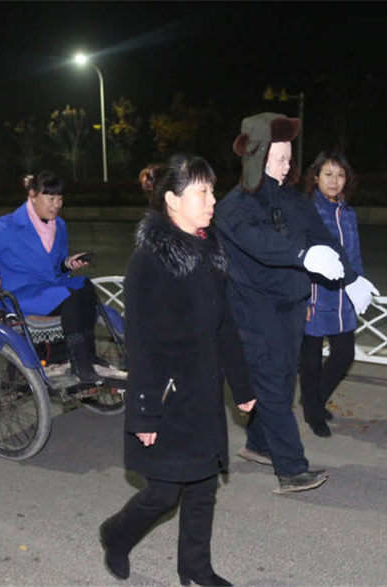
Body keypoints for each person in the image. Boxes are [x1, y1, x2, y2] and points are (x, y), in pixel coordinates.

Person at [99, 155, 256, 587]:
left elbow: (224, 325)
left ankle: (195, 569)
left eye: (212, 190)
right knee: (163, 492)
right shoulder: (148, 263)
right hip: (166, 396)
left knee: (204, 484)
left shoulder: (209, 251)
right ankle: (115, 534)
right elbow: (142, 344)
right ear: (171, 199)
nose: (212, 200)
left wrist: (241, 384)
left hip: (203, 391)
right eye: (201, 192)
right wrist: (144, 412)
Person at [212, 112, 379, 494]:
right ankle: (291, 468)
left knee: (281, 380)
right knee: (273, 385)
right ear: (258, 157)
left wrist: (350, 279)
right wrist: (302, 255)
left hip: (291, 306)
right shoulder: (234, 206)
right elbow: (262, 244)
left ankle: (258, 445)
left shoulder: (292, 198)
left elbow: (323, 237)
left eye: (290, 157)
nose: (289, 165)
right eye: (280, 157)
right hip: (253, 310)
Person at [0, 170, 103, 384]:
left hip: (50, 289)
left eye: (60, 198)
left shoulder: (59, 226)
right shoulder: (10, 225)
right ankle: (80, 363)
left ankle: (85, 356)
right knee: (72, 296)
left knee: (86, 286)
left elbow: (55, 267)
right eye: (50, 198)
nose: (56, 204)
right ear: (32, 195)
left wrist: (69, 263)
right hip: (22, 293)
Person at [299, 151, 365, 438]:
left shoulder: (348, 213)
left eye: (340, 175)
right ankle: (314, 413)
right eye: (328, 174)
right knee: (310, 361)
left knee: (343, 355)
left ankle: (313, 400)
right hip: (315, 297)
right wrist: (304, 298)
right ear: (316, 177)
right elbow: (299, 259)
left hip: (343, 298)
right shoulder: (307, 211)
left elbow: (354, 255)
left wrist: (359, 285)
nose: (334, 180)